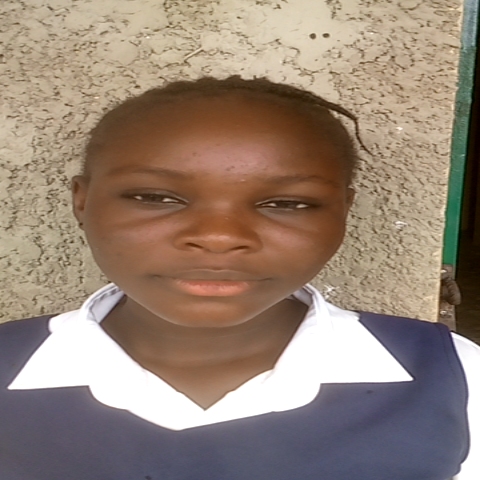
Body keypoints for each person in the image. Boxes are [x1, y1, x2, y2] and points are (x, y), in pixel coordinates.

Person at [0, 76, 478, 480]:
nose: (219, 237)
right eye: (155, 197)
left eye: (287, 204)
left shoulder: (455, 380)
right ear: (82, 201)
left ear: (342, 211)